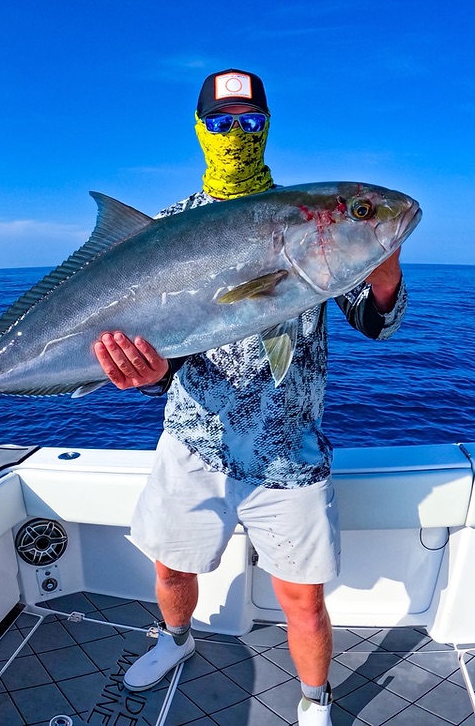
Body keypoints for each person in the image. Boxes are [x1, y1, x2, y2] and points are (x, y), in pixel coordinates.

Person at [93, 69, 406, 725]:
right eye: (222, 120)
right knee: (173, 570)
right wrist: (143, 373)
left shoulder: (310, 221)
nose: (237, 132)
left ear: (267, 126)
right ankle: (175, 641)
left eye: (250, 121)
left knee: (301, 597)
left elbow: (377, 322)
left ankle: (315, 700)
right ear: (200, 126)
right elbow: (163, 353)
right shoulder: (168, 226)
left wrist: (382, 270)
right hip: (195, 439)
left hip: (289, 449)